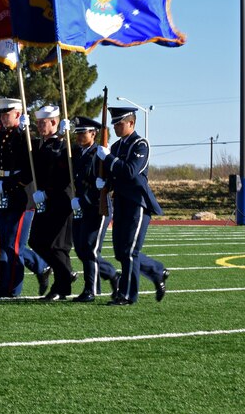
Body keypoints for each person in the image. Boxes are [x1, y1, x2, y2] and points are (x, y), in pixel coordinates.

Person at [96, 107, 170, 305]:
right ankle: (156, 271)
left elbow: (130, 171)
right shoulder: (117, 146)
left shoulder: (140, 144)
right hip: (120, 201)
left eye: (120, 123)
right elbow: (115, 174)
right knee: (121, 252)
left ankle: (127, 295)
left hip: (137, 203)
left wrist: (109, 159)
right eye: (115, 124)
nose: (116, 127)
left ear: (131, 123)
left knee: (129, 251)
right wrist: (105, 183)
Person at [0, 98, 52, 298]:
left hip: (21, 196)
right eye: (0, 114)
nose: (2, 117)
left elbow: (28, 170)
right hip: (5, 193)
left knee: (14, 244)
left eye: (6, 114)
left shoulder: (23, 136)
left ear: (17, 114)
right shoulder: (4, 135)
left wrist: (26, 132)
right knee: (4, 243)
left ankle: (12, 289)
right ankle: (38, 268)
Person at [69, 117, 121, 302]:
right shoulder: (76, 153)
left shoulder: (100, 154)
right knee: (82, 248)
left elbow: (113, 178)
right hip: (81, 205)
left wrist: (105, 182)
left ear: (94, 133)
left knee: (90, 248)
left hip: (97, 206)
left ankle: (90, 289)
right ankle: (113, 276)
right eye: (78, 133)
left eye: (83, 133)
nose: (79, 137)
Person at [28, 105, 75, 301]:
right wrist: (25, 132)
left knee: (57, 246)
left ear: (54, 122)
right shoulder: (41, 144)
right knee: (37, 241)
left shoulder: (64, 146)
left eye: (43, 122)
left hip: (61, 201)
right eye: (38, 122)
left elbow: (65, 175)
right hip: (44, 201)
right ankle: (66, 274)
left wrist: (68, 137)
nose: (39, 126)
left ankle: (62, 286)